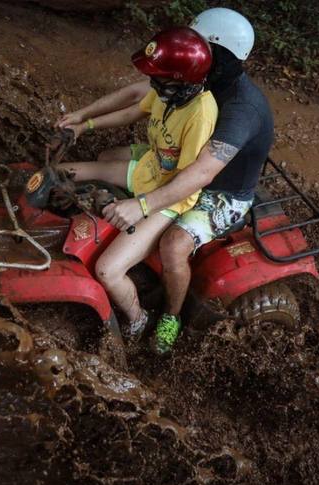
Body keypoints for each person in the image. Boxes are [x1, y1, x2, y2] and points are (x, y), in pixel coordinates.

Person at [56, 8, 274, 355]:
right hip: (172, 159)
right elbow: (136, 96)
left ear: (219, 53)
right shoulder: (194, 74)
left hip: (220, 191)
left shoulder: (240, 108)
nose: (192, 47)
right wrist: (83, 118)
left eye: (200, 43)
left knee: (173, 245)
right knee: (107, 158)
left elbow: (201, 174)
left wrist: (140, 205)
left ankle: (171, 316)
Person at [55, 27, 217, 344]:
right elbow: (133, 109)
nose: (152, 86)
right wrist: (83, 124)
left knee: (107, 271)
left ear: (184, 80)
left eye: (160, 81)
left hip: (168, 200)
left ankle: (137, 319)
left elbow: (187, 181)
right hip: (149, 171)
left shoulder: (200, 115)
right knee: (62, 171)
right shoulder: (168, 92)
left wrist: (139, 206)